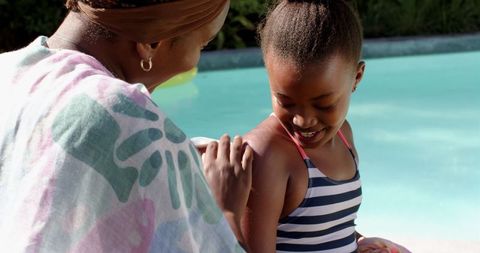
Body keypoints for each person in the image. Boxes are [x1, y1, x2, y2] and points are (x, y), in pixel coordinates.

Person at [0, 0, 253, 252]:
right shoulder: (125, 116)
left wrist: (179, 154)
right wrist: (224, 211)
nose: (195, 60)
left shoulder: (7, 70)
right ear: (150, 43)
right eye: (202, 44)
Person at [241, 0, 410, 252]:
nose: (303, 120)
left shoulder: (343, 135)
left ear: (357, 77)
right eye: (285, 101)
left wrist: (360, 242)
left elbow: (328, 228)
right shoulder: (267, 155)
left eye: (323, 104)